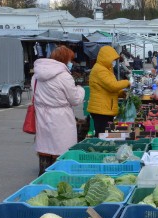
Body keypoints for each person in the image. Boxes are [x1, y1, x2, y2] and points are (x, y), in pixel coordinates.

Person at [31, 46, 85, 175]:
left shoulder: (36, 75)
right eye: (70, 60)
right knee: (62, 149)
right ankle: (59, 177)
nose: (71, 63)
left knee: (45, 148)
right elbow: (75, 99)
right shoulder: (64, 76)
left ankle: (43, 176)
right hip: (61, 118)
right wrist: (80, 89)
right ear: (65, 59)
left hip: (42, 116)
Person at [87, 45, 130, 136]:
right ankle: (99, 150)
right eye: (113, 59)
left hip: (105, 108)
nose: (114, 62)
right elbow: (113, 86)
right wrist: (127, 82)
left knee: (106, 134)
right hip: (101, 110)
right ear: (106, 58)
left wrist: (121, 93)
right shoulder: (100, 70)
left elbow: (108, 89)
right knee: (102, 135)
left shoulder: (106, 69)